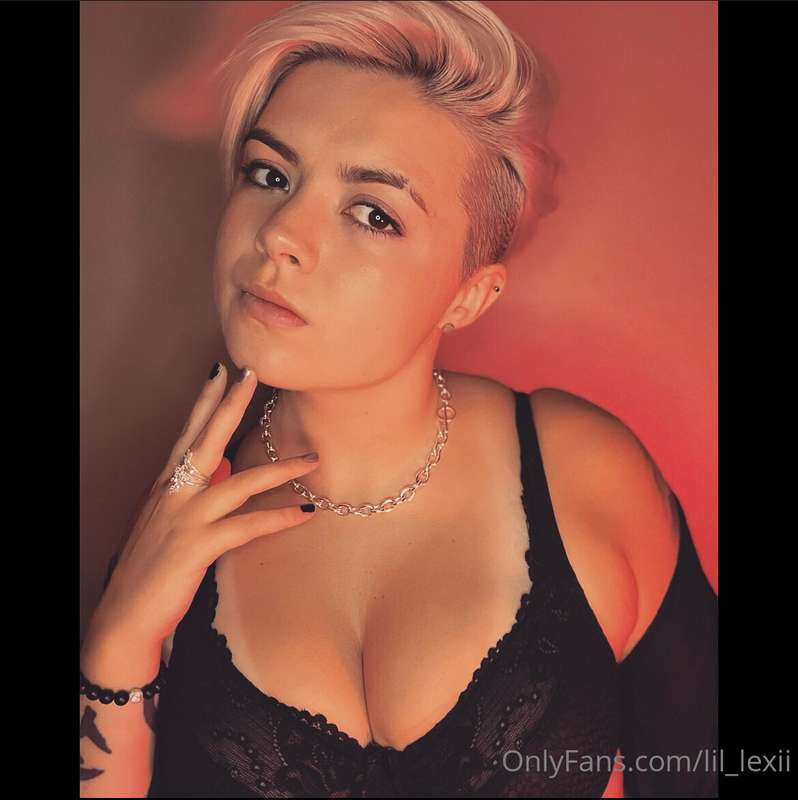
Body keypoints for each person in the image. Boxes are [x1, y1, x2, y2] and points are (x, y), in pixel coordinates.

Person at [80, 2, 718, 797]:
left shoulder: (584, 473)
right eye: (270, 175)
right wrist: (117, 645)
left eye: (373, 213)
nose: (279, 234)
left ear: (469, 296)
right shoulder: (170, 541)